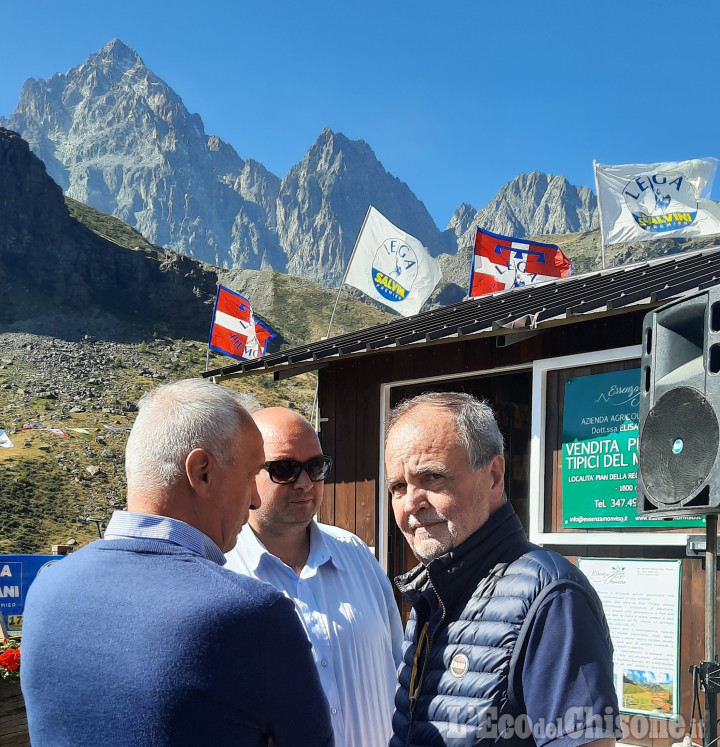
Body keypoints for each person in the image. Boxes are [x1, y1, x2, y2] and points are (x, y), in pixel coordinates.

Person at [20, 379, 333, 747]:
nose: (253, 499)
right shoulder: (253, 614)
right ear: (202, 471)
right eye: (250, 475)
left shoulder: (46, 589)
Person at [384, 392, 621, 747]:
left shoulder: (551, 600)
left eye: (433, 477)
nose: (411, 504)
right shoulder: (432, 594)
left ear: (494, 477)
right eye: (398, 487)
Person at [225, 407, 403, 747]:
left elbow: (400, 667)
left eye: (315, 467)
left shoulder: (356, 554)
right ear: (245, 475)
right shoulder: (222, 573)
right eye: (285, 469)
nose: (305, 483)